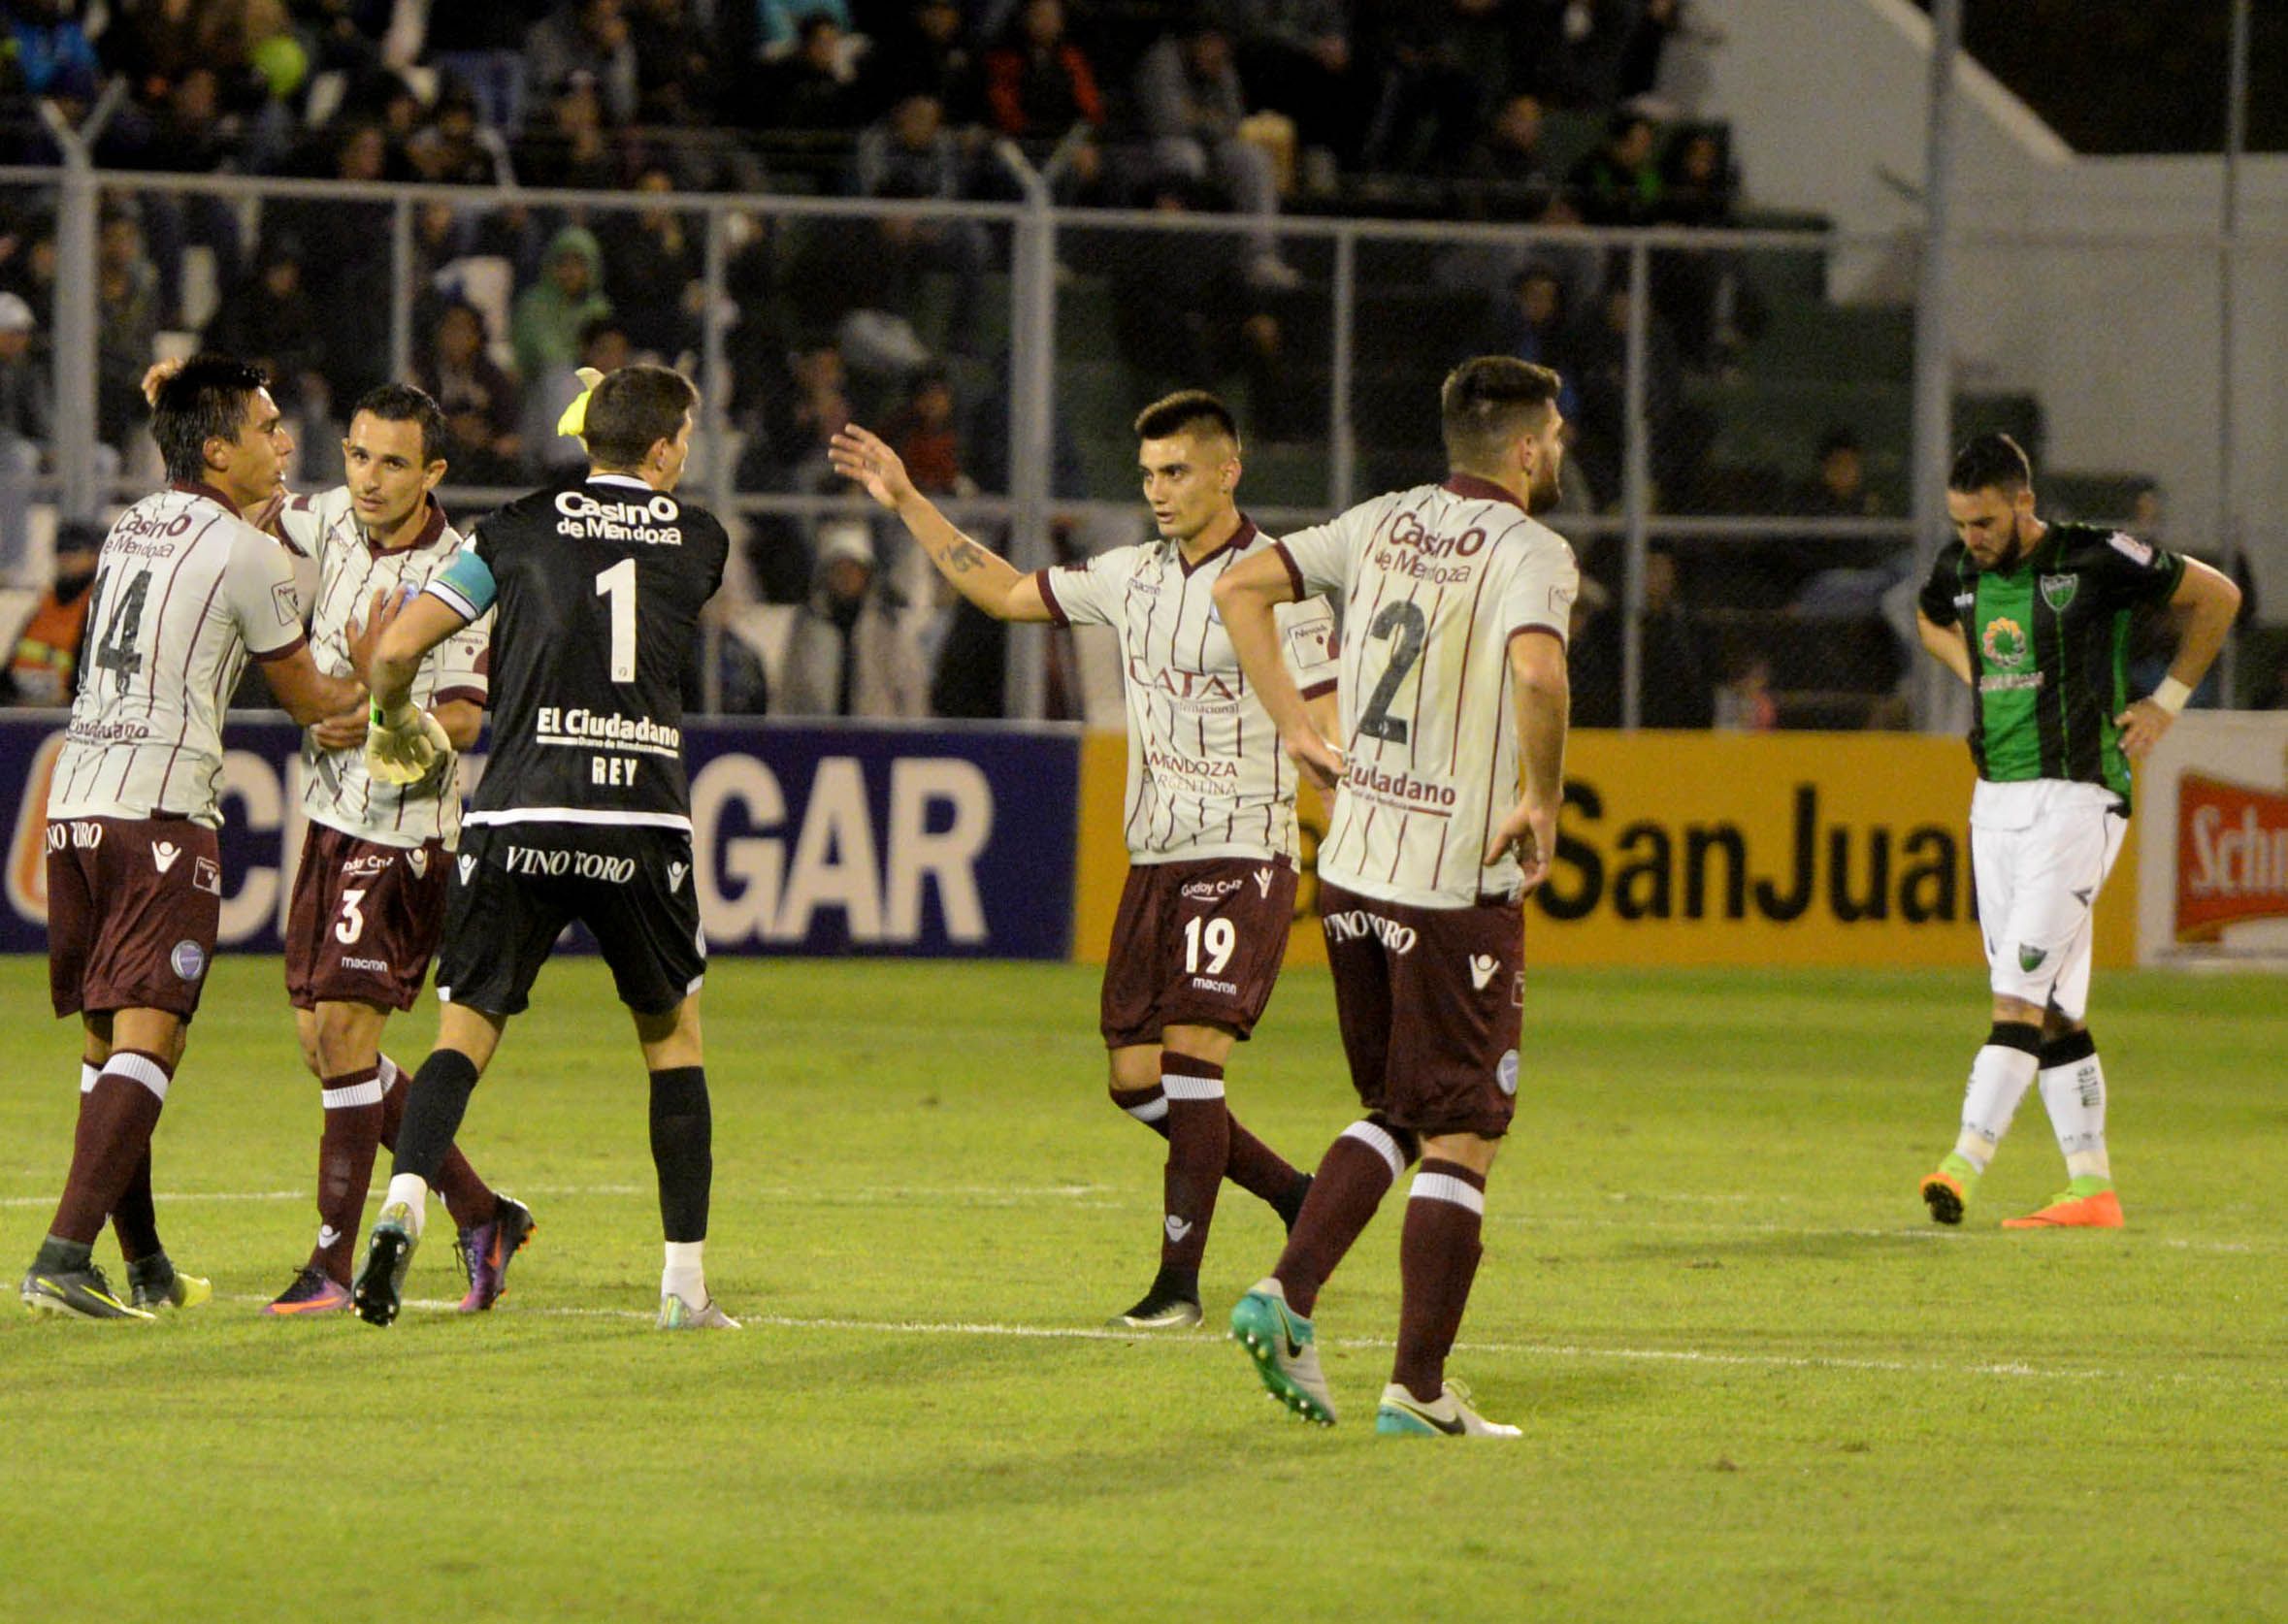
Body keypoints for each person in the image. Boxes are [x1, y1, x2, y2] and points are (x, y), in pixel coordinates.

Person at [831, 390, 1337, 1328]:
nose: (1158, 491)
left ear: (1229, 471)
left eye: (1176, 471)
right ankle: (1299, 1198)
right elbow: (1005, 590)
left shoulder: (1277, 586)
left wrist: (1349, 831)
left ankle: (1177, 1291)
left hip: (1243, 849)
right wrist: (905, 496)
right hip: (1155, 857)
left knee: (1191, 1064)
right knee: (1135, 1081)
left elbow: (1325, 724)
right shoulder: (1132, 575)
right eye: (1148, 474)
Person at [1213, 355, 1578, 1438]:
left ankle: (1287, 1295)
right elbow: (1540, 673)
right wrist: (1545, 798)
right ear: (1524, 447)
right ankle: (1416, 1389)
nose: (1557, 452)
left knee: (1399, 1113)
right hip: (1450, 880)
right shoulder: (1530, 548)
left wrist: (1292, 722)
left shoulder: (1379, 520)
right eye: (1552, 436)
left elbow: (1239, 585)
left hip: (1357, 868)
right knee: (1463, 1131)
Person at [348, 364, 735, 1330]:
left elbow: (396, 652)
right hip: (639, 820)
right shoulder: (701, 538)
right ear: (662, 449)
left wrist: (397, 721)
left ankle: (401, 1207)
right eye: (682, 436)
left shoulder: (514, 528)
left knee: (463, 1034)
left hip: (520, 809)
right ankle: (683, 1288)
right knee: (672, 1043)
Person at [19, 356, 388, 1319]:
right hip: (162, 813)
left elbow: (192, 495)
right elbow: (316, 705)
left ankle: (141, 1266)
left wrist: (171, 402)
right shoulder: (251, 555)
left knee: (110, 1046)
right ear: (218, 450)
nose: (285, 442)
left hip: (77, 801)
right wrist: (392, 672)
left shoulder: (132, 521)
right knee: (152, 1035)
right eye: (266, 428)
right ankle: (61, 1256)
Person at [1913, 434, 2240, 1230]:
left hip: (2077, 799)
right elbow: (1930, 619)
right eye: (1962, 523)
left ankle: (1963, 1162)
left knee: (2017, 996)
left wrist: (2166, 701)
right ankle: (2090, 1187)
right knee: (2055, 1006)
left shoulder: (2094, 558)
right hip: (1994, 802)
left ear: (2023, 503)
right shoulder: (1959, 570)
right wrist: (1977, 674)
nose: (1973, 539)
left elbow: (2218, 598)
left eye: (1986, 522)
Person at [264, 382, 531, 1315]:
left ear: (435, 473)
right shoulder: (333, 518)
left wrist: (378, 704)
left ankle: (331, 1268)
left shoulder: (462, 569)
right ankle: (481, 1209)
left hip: (405, 833)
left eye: (393, 463)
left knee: (343, 1032)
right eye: (358, 455)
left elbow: (460, 719)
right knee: (323, 1046)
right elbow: (255, 499)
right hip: (330, 817)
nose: (369, 480)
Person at [5, 520, 101, 704]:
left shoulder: (97, 608)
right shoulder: (45, 605)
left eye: (74, 551)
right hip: (20, 708)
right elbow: (12, 665)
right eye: (61, 551)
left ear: (94, 556)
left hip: (64, 714)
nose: (64, 558)